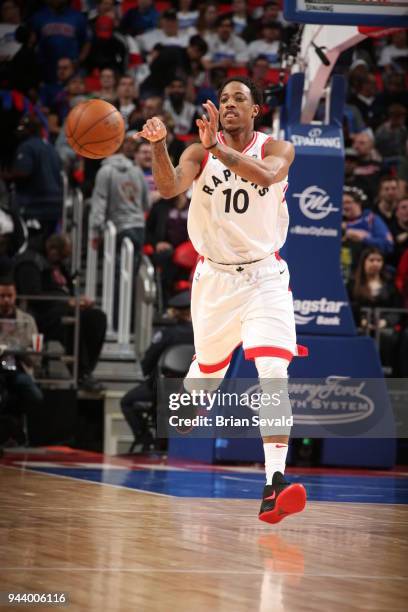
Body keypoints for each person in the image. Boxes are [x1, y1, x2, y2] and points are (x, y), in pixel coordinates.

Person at [135, 76, 307, 524]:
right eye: (224, 98)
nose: (230, 104)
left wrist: (220, 151)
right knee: (206, 375)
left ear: (255, 111)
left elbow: (268, 178)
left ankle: (275, 483)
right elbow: (170, 188)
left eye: (239, 99)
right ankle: (194, 392)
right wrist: (158, 144)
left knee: (272, 370)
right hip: (214, 280)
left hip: (265, 276)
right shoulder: (197, 152)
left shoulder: (276, 149)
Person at [14, 234, 107, 391]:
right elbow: (33, 296)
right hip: (42, 315)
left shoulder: (58, 264)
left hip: (64, 309)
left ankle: (85, 371)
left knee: (97, 318)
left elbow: (67, 290)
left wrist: (79, 300)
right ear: (52, 250)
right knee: (72, 319)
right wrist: (67, 302)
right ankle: (82, 374)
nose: (64, 260)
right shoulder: (29, 262)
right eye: (62, 256)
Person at [121, 290, 194, 451]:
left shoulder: (167, 334)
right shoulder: (203, 335)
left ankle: (146, 440)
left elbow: (147, 362)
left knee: (127, 402)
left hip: (163, 389)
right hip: (195, 391)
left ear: (175, 311)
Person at [0, 263, 43, 446]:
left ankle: (15, 428)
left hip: (19, 369)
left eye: (10, 296)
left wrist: (23, 352)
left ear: (15, 296)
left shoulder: (28, 320)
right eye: (2, 296)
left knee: (34, 396)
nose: (6, 300)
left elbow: (36, 357)